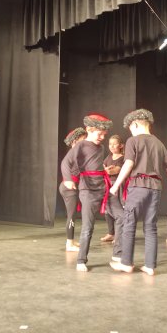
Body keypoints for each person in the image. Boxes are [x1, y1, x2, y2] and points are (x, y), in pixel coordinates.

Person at [109, 109, 167, 276]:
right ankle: (150, 266)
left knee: (129, 223)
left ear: (135, 124)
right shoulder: (159, 143)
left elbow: (128, 164)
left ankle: (126, 263)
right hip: (155, 188)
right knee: (150, 226)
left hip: (138, 186)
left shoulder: (133, 141)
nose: (130, 132)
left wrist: (116, 185)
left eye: (130, 128)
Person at [62, 114, 113, 271]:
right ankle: (79, 257)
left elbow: (94, 164)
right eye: (100, 134)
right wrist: (68, 179)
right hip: (83, 188)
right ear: (89, 129)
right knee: (84, 223)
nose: (102, 137)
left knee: (122, 216)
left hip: (102, 187)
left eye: (104, 134)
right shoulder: (80, 146)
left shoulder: (101, 148)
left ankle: (119, 255)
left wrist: (104, 171)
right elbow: (66, 162)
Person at [59, 127, 86, 252]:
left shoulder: (78, 153)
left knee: (72, 215)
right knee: (71, 216)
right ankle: (69, 243)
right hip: (69, 188)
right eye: (83, 139)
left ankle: (71, 240)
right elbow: (65, 165)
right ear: (75, 141)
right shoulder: (74, 154)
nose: (85, 141)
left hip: (71, 187)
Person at [101, 135, 125, 243]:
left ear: (121, 145)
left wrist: (106, 170)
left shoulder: (122, 158)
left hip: (117, 186)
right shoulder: (109, 157)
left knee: (119, 210)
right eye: (110, 144)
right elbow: (102, 168)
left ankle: (120, 235)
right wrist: (106, 170)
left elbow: (115, 171)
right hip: (107, 185)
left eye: (115, 144)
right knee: (108, 209)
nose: (112, 146)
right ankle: (111, 233)